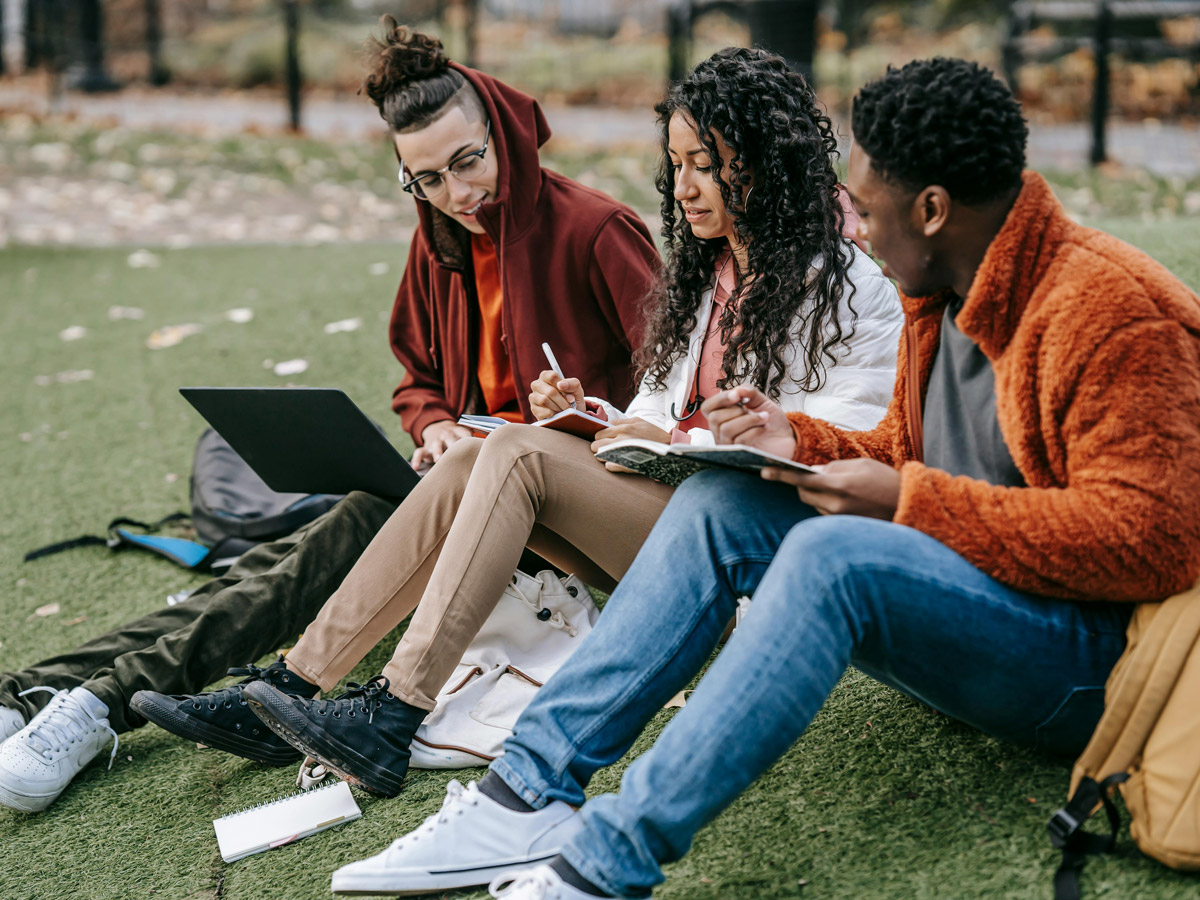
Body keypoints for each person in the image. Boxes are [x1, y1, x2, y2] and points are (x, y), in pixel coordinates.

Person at [324, 57, 1200, 899]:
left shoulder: (1113, 310)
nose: (854, 222)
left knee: (835, 559)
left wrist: (909, 502)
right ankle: (523, 797)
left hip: (1095, 674)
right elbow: (911, 442)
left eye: (870, 205)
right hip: (982, 607)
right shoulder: (945, 289)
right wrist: (800, 437)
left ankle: (604, 862)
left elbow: (1155, 542)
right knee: (725, 498)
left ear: (932, 208)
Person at [135, 46, 902, 800]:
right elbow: (656, 412)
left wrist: (745, 431)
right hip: (673, 512)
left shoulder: (853, 285)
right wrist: (587, 416)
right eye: (678, 164)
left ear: (766, 162)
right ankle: (298, 681)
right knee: (476, 455)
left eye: (708, 163)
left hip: (750, 545)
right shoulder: (708, 274)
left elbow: (863, 428)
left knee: (514, 454)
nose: (687, 186)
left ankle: (394, 711)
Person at [0, 22, 660, 814]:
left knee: (337, 535)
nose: (458, 193)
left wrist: (581, 411)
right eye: (428, 179)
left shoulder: (596, 230)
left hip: (570, 520)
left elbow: (667, 400)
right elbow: (419, 382)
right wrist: (436, 426)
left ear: (505, 135)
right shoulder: (441, 245)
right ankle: (52, 692)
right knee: (281, 561)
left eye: (467, 161)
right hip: (466, 492)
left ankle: (101, 703)